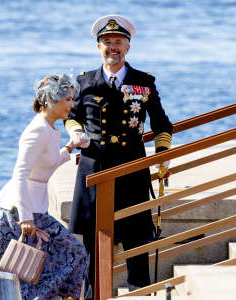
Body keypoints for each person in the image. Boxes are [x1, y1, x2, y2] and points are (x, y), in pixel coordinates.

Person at [64, 15, 173, 298]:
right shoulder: (84, 81)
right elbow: (71, 117)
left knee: (136, 244)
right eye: (107, 42)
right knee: (93, 248)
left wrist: (162, 157)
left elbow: (161, 123)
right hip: (94, 170)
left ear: (128, 47)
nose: (113, 47)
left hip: (132, 170)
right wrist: (76, 133)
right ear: (99, 46)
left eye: (118, 42)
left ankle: (140, 295)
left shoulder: (143, 82)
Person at [0, 72, 88, 300]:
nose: (72, 105)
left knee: (18, 269)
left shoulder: (48, 128)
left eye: (72, 99)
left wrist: (70, 147)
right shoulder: (37, 131)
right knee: (70, 254)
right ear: (52, 100)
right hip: (21, 212)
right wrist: (25, 218)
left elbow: (45, 166)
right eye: (68, 99)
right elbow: (20, 174)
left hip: (33, 209)